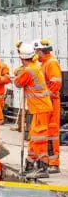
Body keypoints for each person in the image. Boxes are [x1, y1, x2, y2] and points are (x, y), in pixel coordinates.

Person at [14, 42, 53, 179]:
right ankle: (30, 163)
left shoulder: (29, 71)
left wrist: (18, 72)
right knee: (34, 138)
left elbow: (18, 83)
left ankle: (43, 167)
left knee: (39, 138)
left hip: (40, 107)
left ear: (22, 58)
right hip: (39, 108)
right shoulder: (34, 66)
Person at [34, 39, 62, 173]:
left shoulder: (51, 63)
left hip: (51, 103)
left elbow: (56, 84)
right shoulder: (44, 63)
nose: (35, 54)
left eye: (36, 51)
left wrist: (45, 96)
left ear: (41, 51)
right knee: (43, 133)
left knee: (51, 134)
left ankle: (54, 163)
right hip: (45, 103)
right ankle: (44, 161)